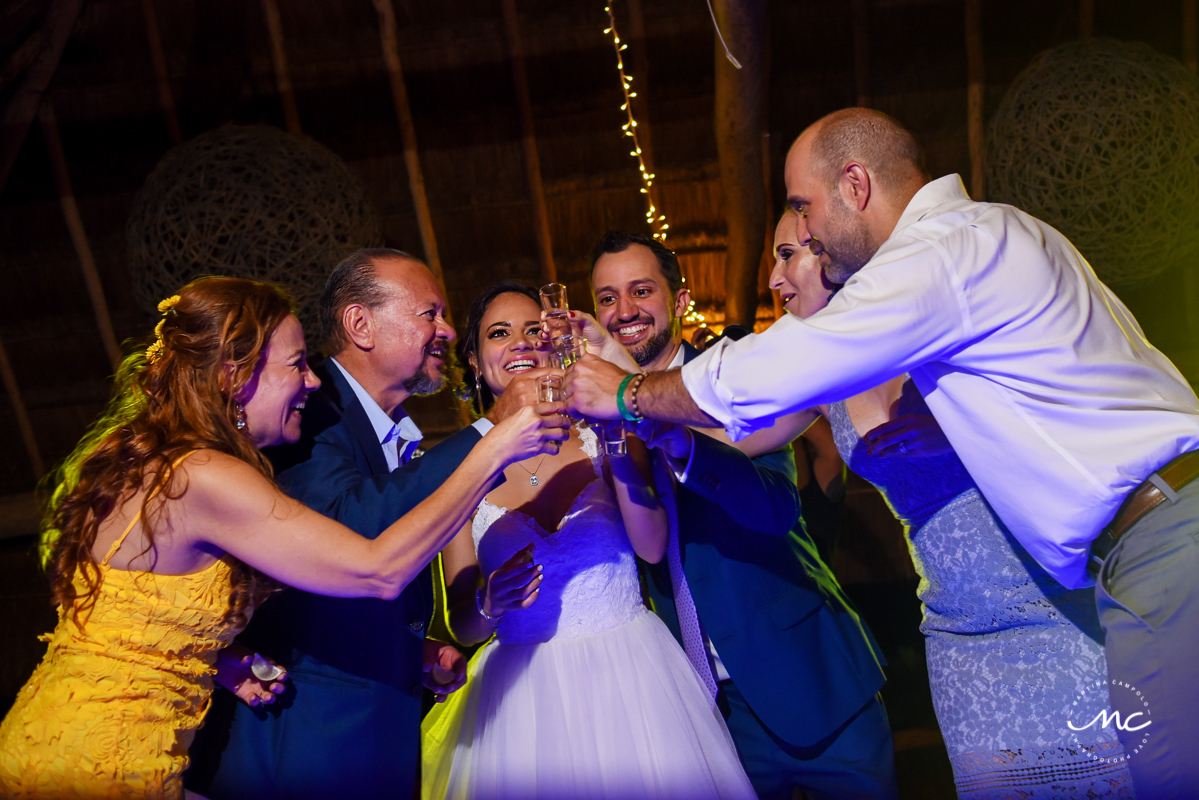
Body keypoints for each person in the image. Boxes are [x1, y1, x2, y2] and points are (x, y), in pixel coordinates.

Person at [563, 107, 1199, 796]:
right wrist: (642, 405)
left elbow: (769, 370)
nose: (802, 235)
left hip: (1152, 544)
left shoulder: (946, 251)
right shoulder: (958, 265)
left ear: (855, 185)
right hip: (1081, 576)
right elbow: (742, 425)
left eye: (803, 213)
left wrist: (629, 393)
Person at [0, 276, 564, 799]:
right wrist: (491, 447)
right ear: (233, 376)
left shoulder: (157, 460)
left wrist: (222, 660)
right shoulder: (204, 476)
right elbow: (378, 569)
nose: (314, 381)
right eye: (297, 365)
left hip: (69, 737)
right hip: (97, 764)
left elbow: (126, 621)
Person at [767, 208, 1134, 796]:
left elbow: (1054, 403)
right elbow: (727, 425)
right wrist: (630, 394)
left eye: (787, 255)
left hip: (1053, 607)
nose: (774, 278)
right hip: (956, 635)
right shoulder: (820, 373)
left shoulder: (929, 318)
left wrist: (961, 429)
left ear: (826, 251)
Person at [186, 252, 562, 799]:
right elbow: (353, 527)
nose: (447, 331)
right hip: (304, 741)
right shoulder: (307, 411)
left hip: (371, 734)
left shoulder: (384, 428)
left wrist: (414, 652)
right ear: (360, 325)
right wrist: (491, 428)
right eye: (428, 314)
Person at [584, 231, 897, 800]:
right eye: (607, 298)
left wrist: (670, 435)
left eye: (641, 290)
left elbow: (775, 506)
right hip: (703, 713)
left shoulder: (734, 376)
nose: (624, 311)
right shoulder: (592, 423)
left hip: (809, 680)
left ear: (679, 301)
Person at [422, 282, 755, 800]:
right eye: (498, 333)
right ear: (474, 358)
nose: (519, 343)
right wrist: (488, 602)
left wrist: (617, 442)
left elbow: (651, 546)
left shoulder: (604, 431)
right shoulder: (459, 467)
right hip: (521, 705)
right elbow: (462, 627)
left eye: (534, 329)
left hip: (634, 681)